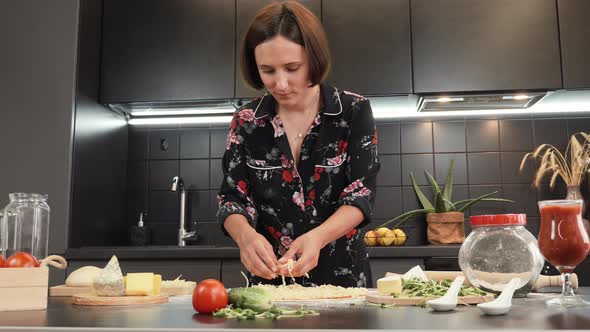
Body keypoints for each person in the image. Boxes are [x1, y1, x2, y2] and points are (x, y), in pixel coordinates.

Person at [217, 0, 380, 288]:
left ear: (314, 59)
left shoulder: (353, 110)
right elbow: (232, 198)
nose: (280, 84)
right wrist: (245, 237)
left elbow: (360, 194)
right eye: (268, 71)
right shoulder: (246, 121)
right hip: (271, 285)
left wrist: (318, 237)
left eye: (292, 68)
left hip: (344, 281)